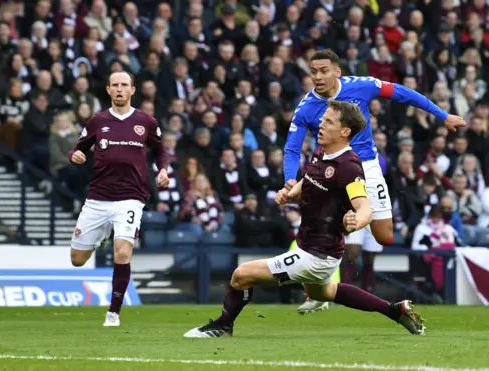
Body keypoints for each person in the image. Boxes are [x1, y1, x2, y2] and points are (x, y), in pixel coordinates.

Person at [184, 101, 425, 338]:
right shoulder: (321, 152)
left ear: (345, 131)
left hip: (316, 255)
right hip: (311, 246)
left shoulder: (349, 167)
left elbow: (365, 207)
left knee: (241, 275)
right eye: (323, 119)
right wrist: (290, 194)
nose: (321, 124)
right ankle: (395, 310)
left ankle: (224, 325)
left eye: (329, 121)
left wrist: (357, 221)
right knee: (324, 292)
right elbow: (309, 180)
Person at [285, 49, 466, 314]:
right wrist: (290, 180)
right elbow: (291, 149)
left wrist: (443, 115)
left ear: (337, 71)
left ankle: (354, 219)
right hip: (331, 172)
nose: (318, 77)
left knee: (385, 237)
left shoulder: (363, 86)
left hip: (366, 166)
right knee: (323, 235)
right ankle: (318, 289)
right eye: (313, 72)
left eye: (324, 71)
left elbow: (403, 93)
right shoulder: (306, 107)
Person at [68, 71, 169, 327]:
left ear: (133, 90)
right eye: (115, 85)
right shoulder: (97, 121)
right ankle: (101, 236)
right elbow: (78, 148)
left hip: (131, 198)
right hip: (98, 198)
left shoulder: (146, 121)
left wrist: (164, 170)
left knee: (122, 253)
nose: (120, 89)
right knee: (77, 260)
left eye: (125, 85)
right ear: (108, 90)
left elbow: (160, 150)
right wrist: (75, 155)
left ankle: (113, 312)